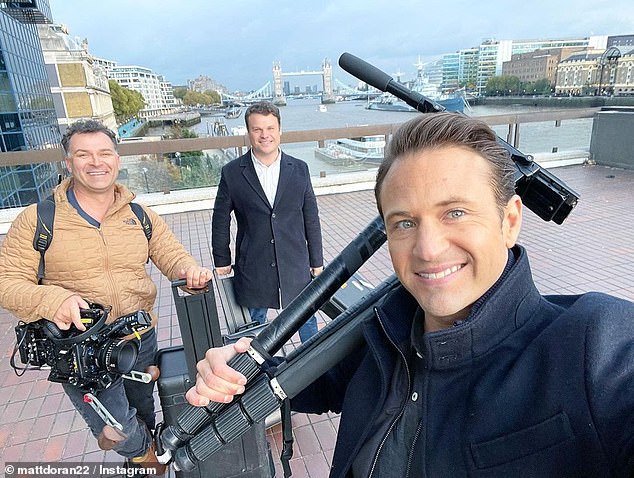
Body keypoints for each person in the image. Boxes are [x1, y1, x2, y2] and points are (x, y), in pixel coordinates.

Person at [188, 112, 634, 477]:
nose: (427, 249)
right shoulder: (380, 335)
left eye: (455, 213)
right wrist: (236, 367)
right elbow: (308, 379)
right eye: (404, 222)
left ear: (509, 220)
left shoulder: (592, 349)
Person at [0, 119, 213, 474]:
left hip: (138, 338)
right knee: (119, 427)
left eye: (104, 153)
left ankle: (141, 459)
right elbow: (7, 282)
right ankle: (149, 459)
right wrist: (53, 301)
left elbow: (171, 253)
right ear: (68, 163)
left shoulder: (137, 214)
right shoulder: (38, 219)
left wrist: (189, 270)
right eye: (83, 155)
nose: (96, 163)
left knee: (142, 410)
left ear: (117, 158)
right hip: (83, 348)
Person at [211, 101, 323, 343]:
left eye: (270, 128)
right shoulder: (232, 172)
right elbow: (220, 219)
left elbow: (310, 217)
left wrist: (317, 260)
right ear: (248, 132)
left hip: (295, 263)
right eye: (257, 129)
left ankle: (317, 374)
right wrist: (222, 260)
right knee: (253, 331)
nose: (265, 135)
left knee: (307, 324)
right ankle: (254, 374)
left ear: (280, 130)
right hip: (254, 265)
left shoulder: (300, 169)